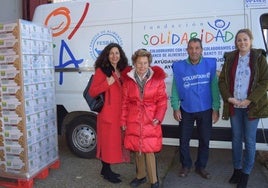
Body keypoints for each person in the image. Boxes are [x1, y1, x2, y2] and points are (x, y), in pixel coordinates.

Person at [218, 29, 268, 188]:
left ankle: (246, 173)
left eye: (245, 39)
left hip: (251, 107)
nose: (242, 43)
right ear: (236, 42)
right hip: (234, 106)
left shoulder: (259, 58)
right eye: (239, 40)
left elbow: (265, 82)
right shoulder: (231, 58)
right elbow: (222, 81)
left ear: (251, 40)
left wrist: (249, 100)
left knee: (250, 140)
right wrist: (229, 98)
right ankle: (237, 169)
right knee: (236, 138)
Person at [170, 38, 220, 180]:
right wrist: (175, 107)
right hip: (186, 109)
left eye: (197, 48)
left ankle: (201, 166)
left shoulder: (209, 64)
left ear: (201, 50)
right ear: (187, 50)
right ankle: (185, 165)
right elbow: (175, 89)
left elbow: (214, 88)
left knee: (204, 140)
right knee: (183, 140)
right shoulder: (179, 67)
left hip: (206, 109)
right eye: (191, 48)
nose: (194, 51)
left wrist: (216, 108)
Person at [121, 49, 168, 188]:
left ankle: (154, 181)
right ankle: (140, 176)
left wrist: (158, 117)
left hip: (150, 118)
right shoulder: (128, 80)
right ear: (134, 64)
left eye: (145, 63)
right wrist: (123, 121)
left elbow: (162, 101)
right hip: (133, 119)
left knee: (149, 150)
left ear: (149, 63)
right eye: (139, 63)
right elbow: (124, 103)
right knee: (137, 149)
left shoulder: (157, 79)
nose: (142, 66)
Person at [89, 43, 130, 184]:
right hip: (108, 114)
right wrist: (107, 82)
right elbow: (92, 91)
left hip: (119, 114)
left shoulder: (121, 70)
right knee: (107, 144)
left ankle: (106, 169)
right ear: (107, 55)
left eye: (117, 53)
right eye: (111, 53)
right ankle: (106, 171)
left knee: (115, 143)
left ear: (120, 55)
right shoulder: (102, 71)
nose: (114, 56)